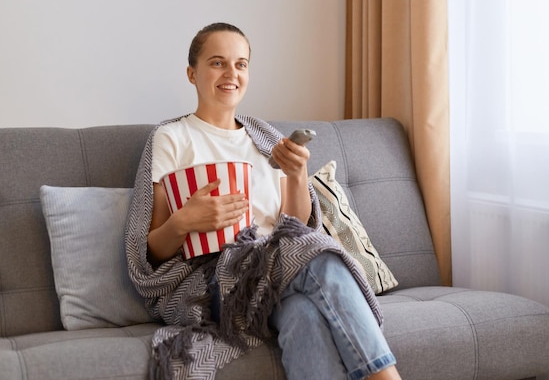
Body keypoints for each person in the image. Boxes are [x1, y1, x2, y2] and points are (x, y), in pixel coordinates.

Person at [125, 22, 402, 380]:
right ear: (192, 73)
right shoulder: (172, 137)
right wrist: (184, 221)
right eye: (217, 62)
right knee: (323, 262)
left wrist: (297, 175)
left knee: (304, 315)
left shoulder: (265, 138)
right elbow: (151, 255)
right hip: (218, 280)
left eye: (241, 64)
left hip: (277, 271)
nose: (231, 73)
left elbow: (297, 230)